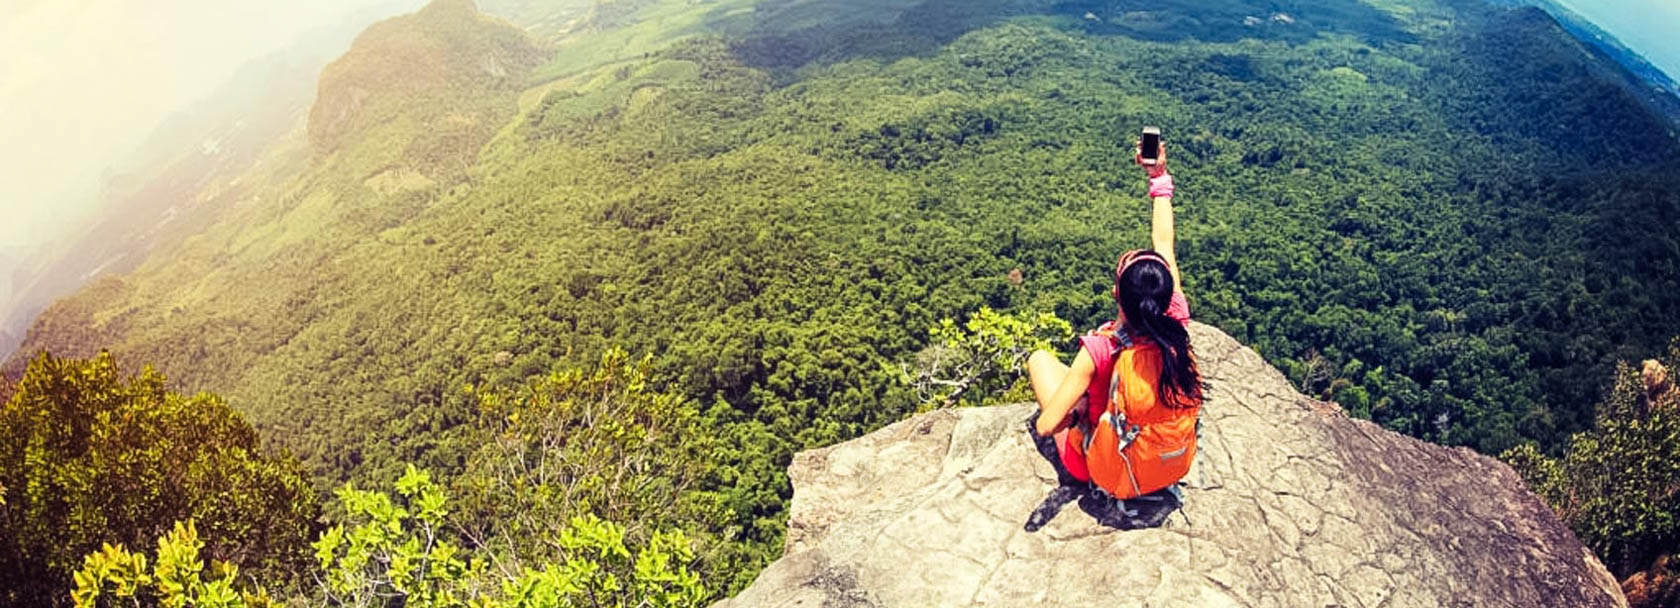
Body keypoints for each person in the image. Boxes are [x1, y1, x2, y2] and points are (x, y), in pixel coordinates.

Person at [1025, 139, 1205, 506]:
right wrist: (1159, 176)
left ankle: (1087, 434)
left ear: (1116, 294)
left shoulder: (1101, 348)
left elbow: (1046, 425)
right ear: (1166, 293)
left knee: (1040, 360)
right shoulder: (1176, 321)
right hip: (1161, 462)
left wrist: (1076, 418)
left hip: (1099, 464)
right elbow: (1164, 244)